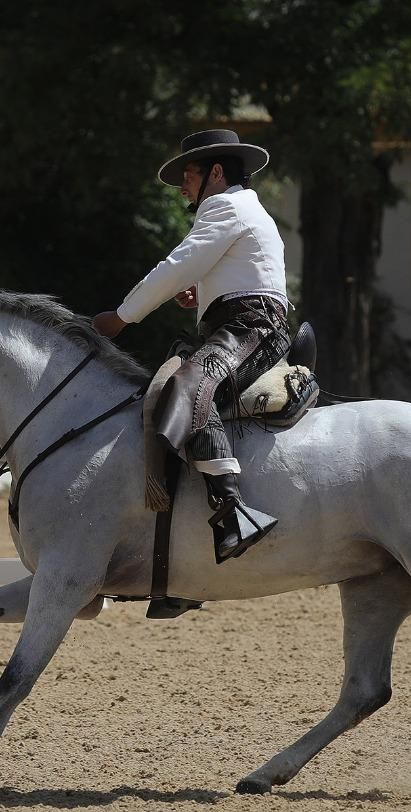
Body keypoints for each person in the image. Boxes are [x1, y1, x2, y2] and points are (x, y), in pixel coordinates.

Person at [92, 129, 291, 563]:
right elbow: (251, 275)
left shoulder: (224, 205)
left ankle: (232, 509)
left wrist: (123, 316)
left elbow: (178, 264)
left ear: (216, 173)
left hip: (248, 328)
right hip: (247, 321)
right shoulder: (249, 209)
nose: (183, 185)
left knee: (189, 387)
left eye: (189, 174)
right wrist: (203, 294)